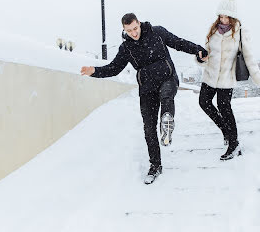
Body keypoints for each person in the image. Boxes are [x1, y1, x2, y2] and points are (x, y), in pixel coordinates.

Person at [81, 13, 208, 184]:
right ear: (124, 30)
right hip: (147, 87)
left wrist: (198, 49)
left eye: (135, 28)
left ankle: (167, 121)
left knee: (167, 96)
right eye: (129, 31)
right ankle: (155, 166)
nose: (134, 33)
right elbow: (114, 68)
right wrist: (95, 71)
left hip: (167, 77)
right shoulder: (126, 48)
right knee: (148, 128)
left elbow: (178, 43)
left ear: (139, 23)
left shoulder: (157, 32)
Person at [196, 0, 260, 161]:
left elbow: (249, 58)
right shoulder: (213, 31)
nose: (223, 19)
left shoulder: (240, 33)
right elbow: (205, 52)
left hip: (226, 78)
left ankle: (234, 144)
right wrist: (201, 58)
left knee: (224, 108)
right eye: (221, 16)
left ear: (233, 17)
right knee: (204, 102)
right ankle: (225, 130)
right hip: (209, 75)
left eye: (226, 16)